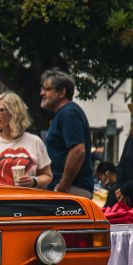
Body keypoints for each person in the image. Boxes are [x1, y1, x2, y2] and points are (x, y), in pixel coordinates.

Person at [0, 92, 53, 188]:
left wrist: (33, 180)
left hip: (28, 201)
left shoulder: (35, 142)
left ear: (14, 112)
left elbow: (47, 176)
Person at [40, 68, 93, 199]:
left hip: (72, 188)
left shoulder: (69, 113)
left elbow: (78, 151)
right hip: (66, 188)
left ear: (62, 92)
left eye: (47, 89)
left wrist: (63, 185)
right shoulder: (64, 113)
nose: (42, 93)